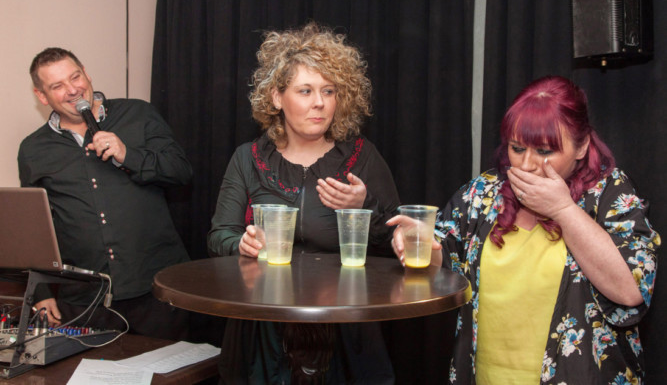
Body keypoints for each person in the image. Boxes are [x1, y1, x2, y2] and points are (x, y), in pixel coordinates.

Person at [388, 76, 660, 384]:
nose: (527, 165)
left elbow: (631, 290)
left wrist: (563, 210)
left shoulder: (610, 194)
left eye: (544, 152)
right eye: (517, 149)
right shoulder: (485, 193)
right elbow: (441, 261)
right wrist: (418, 242)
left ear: (582, 146)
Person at [208, 23, 399, 384]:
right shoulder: (248, 159)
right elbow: (220, 235)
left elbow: (397, 243)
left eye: (329, 91)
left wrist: (364, 207)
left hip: (346, 330)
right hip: (262, 330)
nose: (320, 102)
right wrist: (242, 244)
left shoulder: (362, 157)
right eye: (305, 90)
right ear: (277, 97)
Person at [18, 47, 192, 340]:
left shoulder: (138, 113)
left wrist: (128, 155)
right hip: (85, 302)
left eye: (75, 77)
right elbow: (35, 228)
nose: (73, 90)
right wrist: (41, 291)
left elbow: (181, 171)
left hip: (158, 291)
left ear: (86, 72)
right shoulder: (33, 149)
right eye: (57, 86)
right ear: (42, 96)